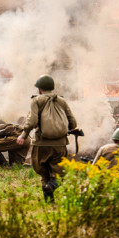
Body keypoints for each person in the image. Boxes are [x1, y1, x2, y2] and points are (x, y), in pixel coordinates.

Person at [16, 74, 80, 203]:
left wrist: (23, 135)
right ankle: (53, 185)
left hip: (41, 144)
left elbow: (32, 121)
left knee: (43, 172)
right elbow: (73, 122)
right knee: (59, 171)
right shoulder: (61, 100)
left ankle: (49, 200)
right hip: (60, 144)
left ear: (40, 89)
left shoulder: (36, 100)